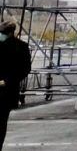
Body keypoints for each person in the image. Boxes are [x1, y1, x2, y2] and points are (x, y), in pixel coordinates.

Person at [0, 20, 31, 149]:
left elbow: (24, 68)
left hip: (6, 90)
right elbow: (25, 69)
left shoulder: (20, 47)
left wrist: (7, 80)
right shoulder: (22, 46)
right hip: (9, 90)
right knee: (2, 122)